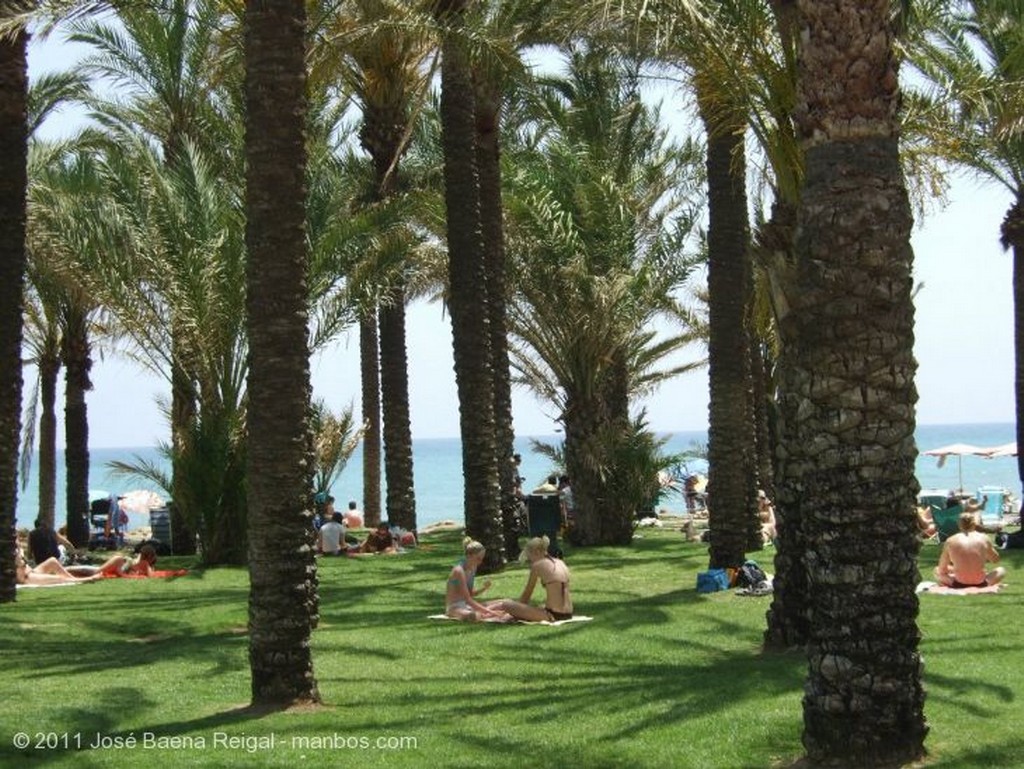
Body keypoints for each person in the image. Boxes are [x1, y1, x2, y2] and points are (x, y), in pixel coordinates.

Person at [497, 535, 574, 622]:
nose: (531, 562)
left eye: (530, 558)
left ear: (537, 552)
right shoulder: (560, 562)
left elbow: (526, 595)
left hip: (552, 615)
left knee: (507, 605)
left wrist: (516, 610)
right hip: (568, 614)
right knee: (538, 606)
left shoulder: (537, 565)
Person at [934, 512, 1006, 588]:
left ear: (959, 525)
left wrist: (954, 569)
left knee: (937, 570)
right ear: (974, 524)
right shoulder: (984, 538)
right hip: (981, 583)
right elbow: (995, 560)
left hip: (958, 583)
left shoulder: (950, 540)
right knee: (1001, 570)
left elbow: (942, 568)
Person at [445, 539, 508, 621]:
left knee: (504, 602)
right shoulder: (458, 571)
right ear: (469, 556)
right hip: (455, 608)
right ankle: (489, 614)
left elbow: (470, 594)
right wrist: (490, 612)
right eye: (478, 558)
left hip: (466, 606)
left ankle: (489, 613)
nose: (480, 562)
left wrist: (484, 588)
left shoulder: (472, 568)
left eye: (481, 559)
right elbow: (468, 599)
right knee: (474, 616)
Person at [14, 547, 102, 585]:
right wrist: (20, 555)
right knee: (59, 578)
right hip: (25, 578)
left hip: (30, 571)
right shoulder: (7, 551)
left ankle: (71, 578)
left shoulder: (13, 546)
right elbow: (19, 565)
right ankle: (85, 580)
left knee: (52, 561)